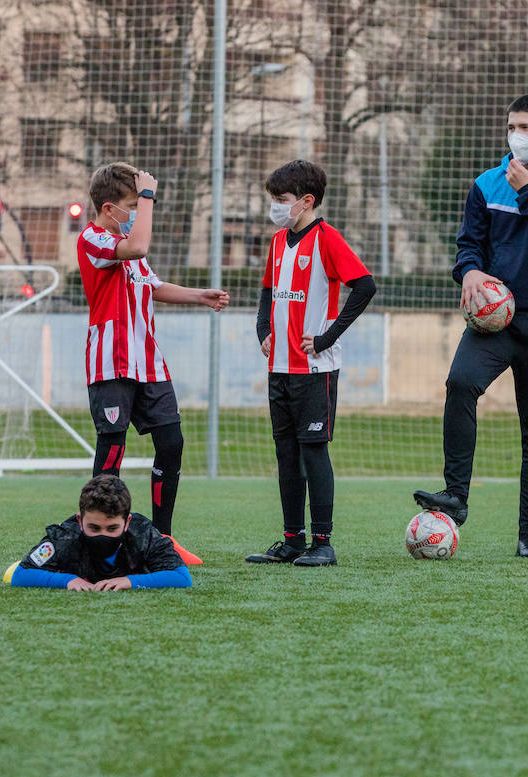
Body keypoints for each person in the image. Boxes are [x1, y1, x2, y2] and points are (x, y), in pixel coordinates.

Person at [412, 94, 528, 558]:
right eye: (512, 125)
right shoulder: (485, 183)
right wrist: (469, 271)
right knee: (459, 383)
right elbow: (469, 244)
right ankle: (456, 496)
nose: (518, 134)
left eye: (527, 127)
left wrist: (527, 191)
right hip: (495, 321)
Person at [76, 161, 229, 567]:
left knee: (172, 443)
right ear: (110, 209)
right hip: (111, 363)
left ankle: (163, 539)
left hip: (149, 364)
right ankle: (99, 541)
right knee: (112, 449)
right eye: (130, 205)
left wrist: (199, 296)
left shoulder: (128, 246)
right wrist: (147, 197)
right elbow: (139, 246)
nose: (137, 212)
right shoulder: (92, 239)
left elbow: (152, 284)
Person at [245, 160, 376, 567]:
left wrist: (327, 337)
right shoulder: (276, 241)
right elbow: (268, 289)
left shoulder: (326, 238)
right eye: (273, 200)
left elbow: (365, 286)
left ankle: (323, 542)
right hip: (279, 369)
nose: (276, 207)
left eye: (281, 201)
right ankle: (291, 541)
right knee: (286, 454)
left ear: (306, 201)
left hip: (314, 370)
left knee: (313, 451)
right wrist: (262, 328)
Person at [4, 475, 192, 590]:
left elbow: (182, 577)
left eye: (112, 528)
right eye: (94, 528)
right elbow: (21, 574)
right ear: (80, 520)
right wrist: (67, 580)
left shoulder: (144, 535)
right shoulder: (65, 536)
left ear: (127, 522)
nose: (103, 535)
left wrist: (130, 582)